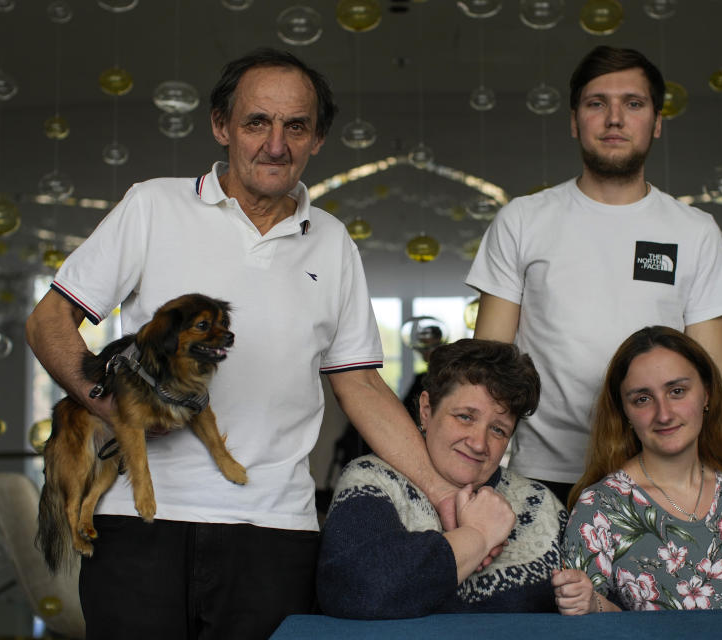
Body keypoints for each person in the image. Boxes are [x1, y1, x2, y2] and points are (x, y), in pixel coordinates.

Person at [26, 48, 461, 640]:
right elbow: (49, 322)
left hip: (276, 533)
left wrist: (440, 491)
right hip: (140, 526)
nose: (275, 144)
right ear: (221, 126)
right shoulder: (153, 206)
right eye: (257, 122)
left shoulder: (332, 242)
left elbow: (358, 383)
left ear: (317, 140)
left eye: (295, 126)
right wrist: (109, 402)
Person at [466, 45, 722, 506]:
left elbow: (714, 370)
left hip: (661, 475)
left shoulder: (694, 231)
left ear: (656, 122)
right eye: (597, 103)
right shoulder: (522, 220)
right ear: (575, 121)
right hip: (540, 480)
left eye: (633, 104)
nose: (615, 118)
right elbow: (489, 366)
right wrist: (474, 474)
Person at [317, 339, 584, 617]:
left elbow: (590, 605)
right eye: (465, 417)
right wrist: (476, 537)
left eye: (498, 430)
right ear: (426, 410)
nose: (479, 444)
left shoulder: (541, 504)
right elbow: (357, 591)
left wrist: (588, 599)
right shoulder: (371, 480)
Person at [554, 326, 722, 613]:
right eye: (642, 399)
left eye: (677, 391)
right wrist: (591, 604)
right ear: (625, 413)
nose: (664, 414)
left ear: (706, 394)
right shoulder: (600, 507)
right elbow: (588, 624)